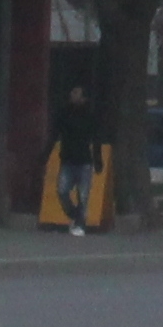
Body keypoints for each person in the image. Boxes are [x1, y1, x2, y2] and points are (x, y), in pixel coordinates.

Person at [51, 76, 101, 234]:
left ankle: (80, 224)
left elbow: (96, 139)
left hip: (84, 161)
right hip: (67, 160)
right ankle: (74, 214)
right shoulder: (64, 113)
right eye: (72, 92)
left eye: (76, 93)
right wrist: (45, 155)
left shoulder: (89, 116)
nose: (72, 95)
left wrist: (97, 159)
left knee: (84, 195)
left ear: (83, 97)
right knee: (61, 191)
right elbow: (54, 134)